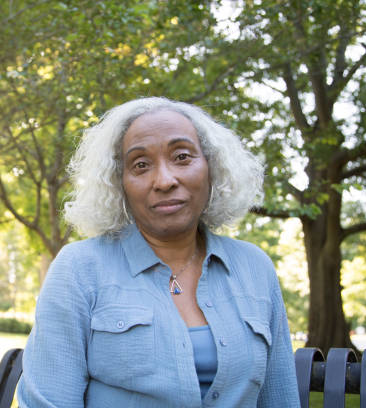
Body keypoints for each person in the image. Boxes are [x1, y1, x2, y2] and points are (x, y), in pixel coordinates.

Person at [18, 97, 300, 407]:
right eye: (140, 164)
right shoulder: (78, 269)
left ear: (211, 168)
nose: (165, 180)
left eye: (182, 156)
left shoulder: (255, 267)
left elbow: (281, 397)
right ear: (119, 183)